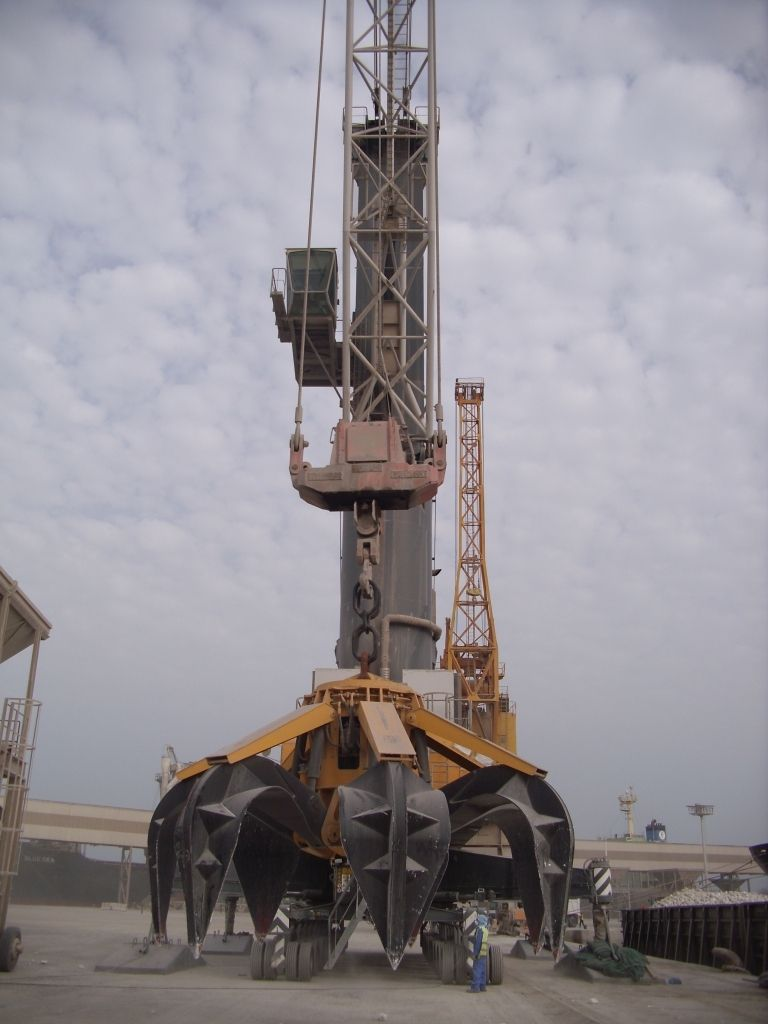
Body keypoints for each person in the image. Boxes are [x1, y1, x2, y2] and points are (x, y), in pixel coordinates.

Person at [467, 912, 489, 992]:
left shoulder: (480, 930)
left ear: (480, 921)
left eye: (477, 920)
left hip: (479, 953)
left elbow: (478, 943)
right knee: (482, 970)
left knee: (477, 970)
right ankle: (482, 986)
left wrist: (475, 954)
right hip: (484, 953)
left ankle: (475, 987)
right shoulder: (485, 930)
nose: (476, 921)